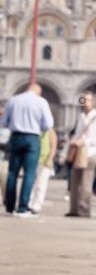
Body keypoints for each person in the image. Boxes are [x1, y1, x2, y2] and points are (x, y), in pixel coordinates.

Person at [2, 83, 54, 217]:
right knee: (29, 173)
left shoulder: (14, 100)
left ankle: (9, 207)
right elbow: (48, 124)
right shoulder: (41, 102)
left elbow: (4, 122)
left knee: (12, 173)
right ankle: (23, 208)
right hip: (32, 138)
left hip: (16, 136)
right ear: (39, 91)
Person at [66, 95, 96, 217]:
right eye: (84, 100)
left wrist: (85, 141)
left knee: (86, 182)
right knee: (74, 181)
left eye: (89, 100)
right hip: (78, 153)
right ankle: (73, 209)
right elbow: (78, 133)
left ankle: (84, 210)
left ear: (93, 102)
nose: (86, 102)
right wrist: (73, 141)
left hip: (90, 153)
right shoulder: (80, 116)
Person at [28, 119, 58, 215]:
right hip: (34, 159)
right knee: (31, 182)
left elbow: (53, 146)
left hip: (45, 161)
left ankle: (37, 204)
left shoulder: (50, 131)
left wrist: (50, 158)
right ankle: (29, 202)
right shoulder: (34, 129)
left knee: (41, 184)